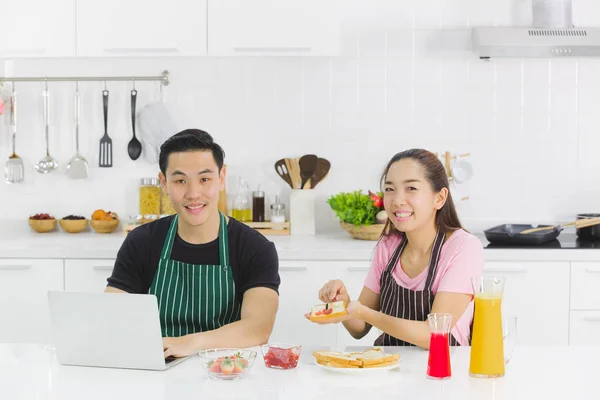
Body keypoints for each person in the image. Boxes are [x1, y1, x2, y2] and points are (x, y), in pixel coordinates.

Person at [106, 129, 280, 358]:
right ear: (164, 183)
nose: (193, 193)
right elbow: (111, 315)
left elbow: (257, 329)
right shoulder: (142, 241)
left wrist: (189, 343)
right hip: (157, 370)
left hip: (226, 374)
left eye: (204, 179)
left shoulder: (253, 248)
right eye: (180, 181)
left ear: (222, 178)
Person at [310, 149, 483, 348]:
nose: (397, 200)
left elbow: (434, 334)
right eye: (390, 189)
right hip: (389, 369)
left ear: (440, 198)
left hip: (443, 372)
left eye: (411, 188)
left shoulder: (463, 248)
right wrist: (343, 303)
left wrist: (364, 312)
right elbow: (359, 328)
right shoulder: (388, 245)